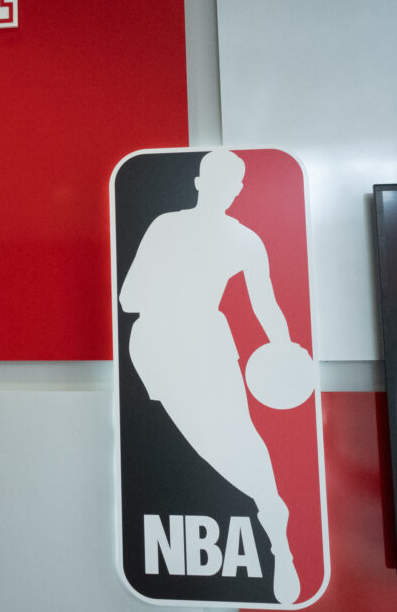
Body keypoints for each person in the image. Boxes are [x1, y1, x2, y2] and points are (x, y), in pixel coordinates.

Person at [119, 149, 302, 604]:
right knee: (218, 441)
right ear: (207, 185)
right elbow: (128, 298)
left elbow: (267, 308)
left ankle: (274, 522)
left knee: (233, 437)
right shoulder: (187, 230)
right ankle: (271, 512)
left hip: (192, 344)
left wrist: (283, 347)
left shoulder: (230, 237)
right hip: (164, 348)